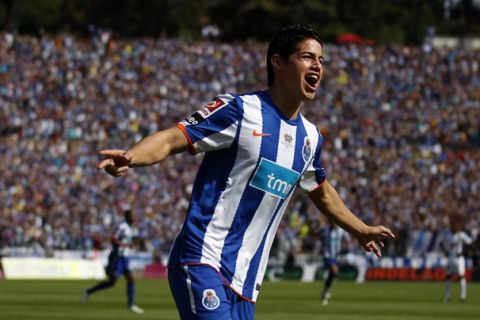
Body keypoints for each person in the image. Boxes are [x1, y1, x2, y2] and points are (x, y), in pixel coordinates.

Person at [96, 24, 395, 320]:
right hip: (202, 259)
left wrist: (360, 229)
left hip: (246, 283)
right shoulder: (239, 110)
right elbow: (173, 138)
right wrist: (131, 156)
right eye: (307, 57)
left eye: (321, 60)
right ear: (277, 62)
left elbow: (321, 191)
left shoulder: (311, 138)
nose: (317, 65)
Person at [83, 209, 144, 314]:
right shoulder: (122, 227)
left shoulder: (131, 228)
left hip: (125, 257)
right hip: (117, 257)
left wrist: (135, 242)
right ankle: (88, 291)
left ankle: (131, 305)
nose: (135, 217)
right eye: (133, 215)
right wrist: (125, 245)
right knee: (112, 282)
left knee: (130, 279)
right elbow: (113, 239)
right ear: (128, 216)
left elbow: (131, 240)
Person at [442, 217, 474, 303]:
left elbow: (470, 243)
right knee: (448, 276)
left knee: (461, 276)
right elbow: (442, 244)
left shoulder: (461, 235)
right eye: (453, 225)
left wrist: (466, 251)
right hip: (450, 258)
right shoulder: (448, 235)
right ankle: (447, 296)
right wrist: (445, 250)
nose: (454, 226)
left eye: (456, 225)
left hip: (459, 258)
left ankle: (462, 296)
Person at [320, 220, 348, 306]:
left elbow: (346, 240)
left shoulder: (341, 231)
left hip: (336, 256)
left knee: (332, 275)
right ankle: (326, 288)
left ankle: (326, 290)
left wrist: (345, 246)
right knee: (334, 271)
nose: (333, 223)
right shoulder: (326, 230)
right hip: (327, 255)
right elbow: (318, 236)